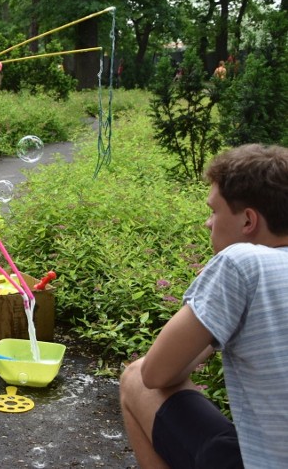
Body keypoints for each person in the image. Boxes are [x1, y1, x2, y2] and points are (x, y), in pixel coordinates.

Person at [120, 143, 288, 468]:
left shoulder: (243, 262)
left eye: (215, 210)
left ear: (248, 221)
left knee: (136, 378)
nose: (208, 223)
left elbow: (157, 373)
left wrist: (213, 326)